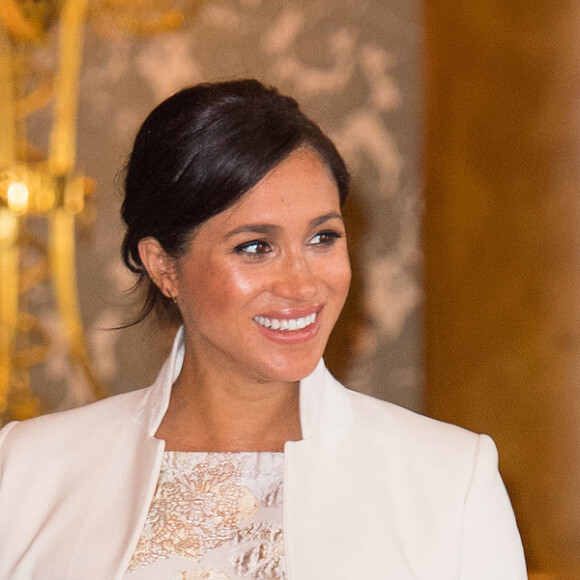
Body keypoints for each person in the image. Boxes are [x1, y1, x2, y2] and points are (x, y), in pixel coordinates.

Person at [0, 79, 526, 579]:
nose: (302, 285)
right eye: (255, 247)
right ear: (163, 266)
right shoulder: (31, 469)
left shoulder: (447, 478)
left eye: (323, 238)